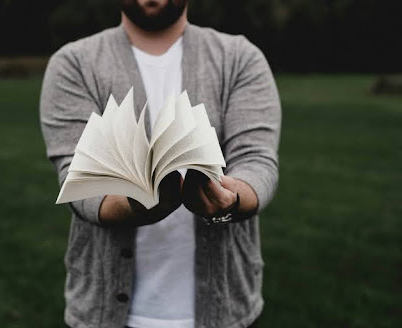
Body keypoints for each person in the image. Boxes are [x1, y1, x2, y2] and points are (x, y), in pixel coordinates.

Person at [40, 0, 281, 327]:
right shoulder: (74, 63)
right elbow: (78, 179)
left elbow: (257, 160)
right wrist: (137, 204)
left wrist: (231, 197)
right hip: (103, 312)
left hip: (227, 310)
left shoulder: (239, 57)